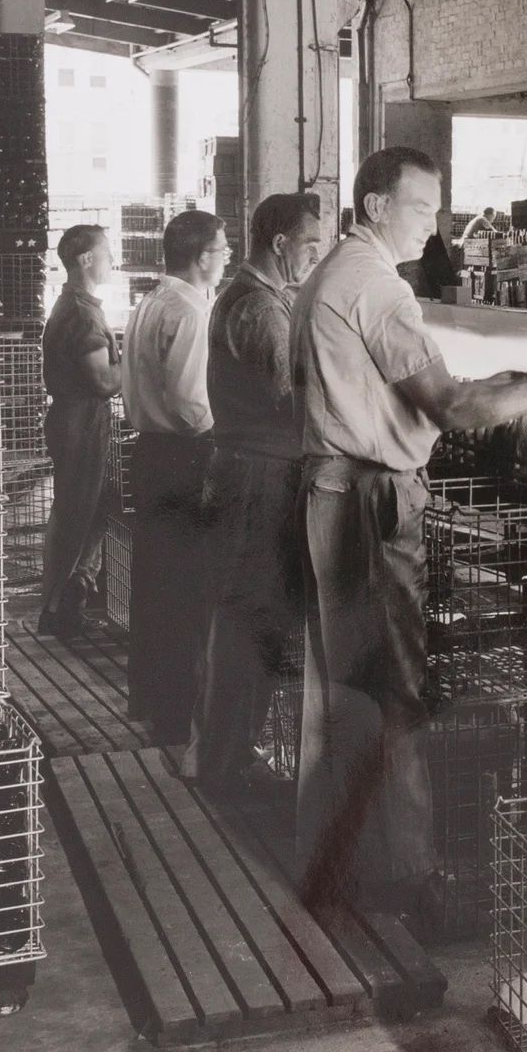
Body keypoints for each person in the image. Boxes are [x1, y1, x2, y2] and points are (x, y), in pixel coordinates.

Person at [291, 146, 527, 914]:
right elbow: (452, 408)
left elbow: (403, 393)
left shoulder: (331, 274)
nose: (435, 225)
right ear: (377, 206)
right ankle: (410, 879)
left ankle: (334, 858)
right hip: (370, 503)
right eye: (422, 208)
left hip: (330, 489)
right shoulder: (379, 289)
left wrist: (493, 388)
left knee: (346, 688)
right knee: (397, 689)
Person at [190, 190, 329, 792]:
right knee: (249, 616)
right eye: (310, 244)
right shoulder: (257, 309)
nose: (314, 256)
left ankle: (228, 752)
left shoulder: (255, 299)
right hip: (256, 480)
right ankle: (223, 760)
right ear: (280, 243)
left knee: (250, 615)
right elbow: (289, 398)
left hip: (249, 472)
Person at [121, 208, 230, 745]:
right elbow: (191, 405)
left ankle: (149, 700)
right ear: (201, 256)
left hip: (151, 454)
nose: (228, 254)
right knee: (184, 591)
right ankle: (175, 717)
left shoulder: (150, 302)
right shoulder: (190, 311)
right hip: (184, 458)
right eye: (223, 246)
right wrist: (224, 434)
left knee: (154, 585)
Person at [38, 223, 121, 638]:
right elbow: (104, 382)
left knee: (86, 510)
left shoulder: (74, 305)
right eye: (107, 252)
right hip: (82, 421)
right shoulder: (83, 313)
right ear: (86, 259)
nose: (113, 260)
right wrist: (141, 361)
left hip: (74, 419)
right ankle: (56, 607)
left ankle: (68, 600)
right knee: (77, 513)